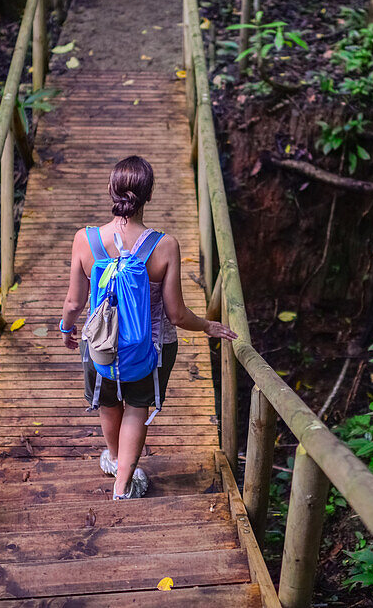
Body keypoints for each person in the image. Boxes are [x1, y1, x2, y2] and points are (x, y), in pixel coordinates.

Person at [58, 156, 237, 499]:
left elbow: (73, 303)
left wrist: (67, 328)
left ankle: (113, 458)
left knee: (109, 403)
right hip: (149, 348)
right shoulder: (165, 246)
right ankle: (123, 486)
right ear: (149, 195)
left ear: (111, 190)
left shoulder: (85, 239)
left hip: (100, 344)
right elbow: (177, 315)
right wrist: (208, 326)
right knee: (136, 408)